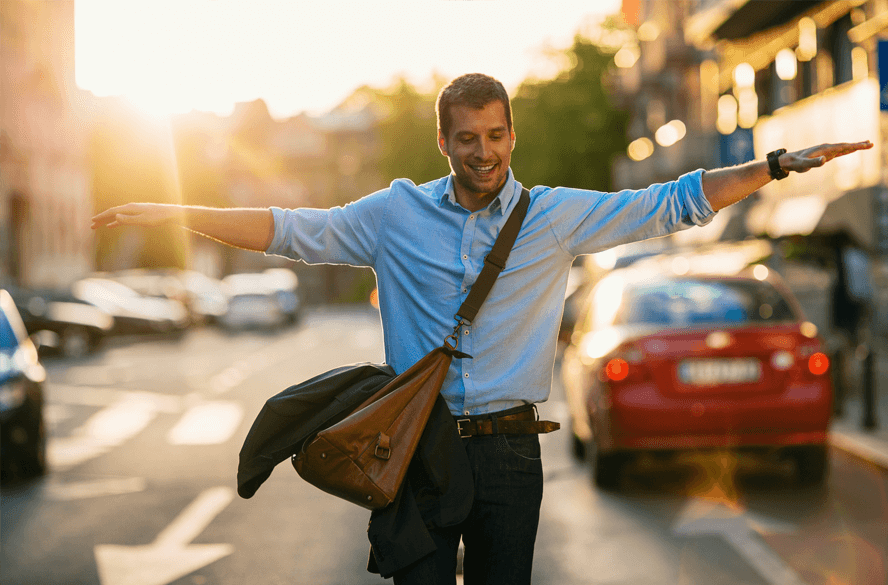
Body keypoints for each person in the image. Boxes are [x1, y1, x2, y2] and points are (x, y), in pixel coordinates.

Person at [91, 73, 872, 584]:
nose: (483, 151)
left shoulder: (556, 215)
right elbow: (291, 228)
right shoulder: (394, 214)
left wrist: (773, 165)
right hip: (417, 448)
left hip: (509, 454)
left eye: (496, 135)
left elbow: (673, 201)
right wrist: (178, 213)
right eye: (467, 137)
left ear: (510, 135)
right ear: (444, 142)